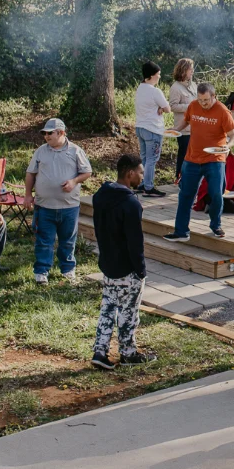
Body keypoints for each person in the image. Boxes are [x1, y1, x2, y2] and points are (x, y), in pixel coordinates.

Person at [90, 154, 154, 370]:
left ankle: (100, 351)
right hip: (127, 269)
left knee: (108, 307)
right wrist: (141, 270)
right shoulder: (130, 203)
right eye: (140, 172)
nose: (142, 177)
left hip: (108, 263)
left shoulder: (100, 195)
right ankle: (128, 352)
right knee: (129, 311)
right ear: (130, 173)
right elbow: (135, 242)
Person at [166, 83, 234, 241]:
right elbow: (186, 121)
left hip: (215, 158)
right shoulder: (193, 106)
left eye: (206, 100)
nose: (203, 103)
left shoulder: (222, 111)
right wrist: (176, 130)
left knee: (215, 194)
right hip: (192, 158)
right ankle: (181, 231)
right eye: (200, 100)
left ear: (214, 96)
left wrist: (227, 146)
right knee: (185, 194)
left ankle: (216, 225)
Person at [24, 118, 93, 284]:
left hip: (69, 206)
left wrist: (74, 182)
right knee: (44, 241)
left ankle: (68, 269)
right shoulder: (41, 151)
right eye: (45, 133)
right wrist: (27, 194)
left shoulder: (76, 151)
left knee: (68, 241)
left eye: (50, 133)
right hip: (44, 206)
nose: (46, 136)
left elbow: (87, 172)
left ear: (61, 133)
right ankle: (41, 272)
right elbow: (30, 174)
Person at [135, 61, 172, 198]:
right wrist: (161, 108)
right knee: (152, 159)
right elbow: (168, 108)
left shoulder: (140, 88)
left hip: (140, 127)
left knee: (145, 158)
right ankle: (149, 187)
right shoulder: (155, 91)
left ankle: (143, 184)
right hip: (153, 129)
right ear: (151, 76)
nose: (159, 77)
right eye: (158, 74)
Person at [168, 58, 198, 182]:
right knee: (184, 154)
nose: (192, 71)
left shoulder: (194, 85)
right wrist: (191, 107)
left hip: (196, 127)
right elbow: (173, 106)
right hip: (183, 128)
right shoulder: (175, 87)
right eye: (190, 69)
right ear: (183, 70)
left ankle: (191, 178)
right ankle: (179, 178)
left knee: (194, 155)